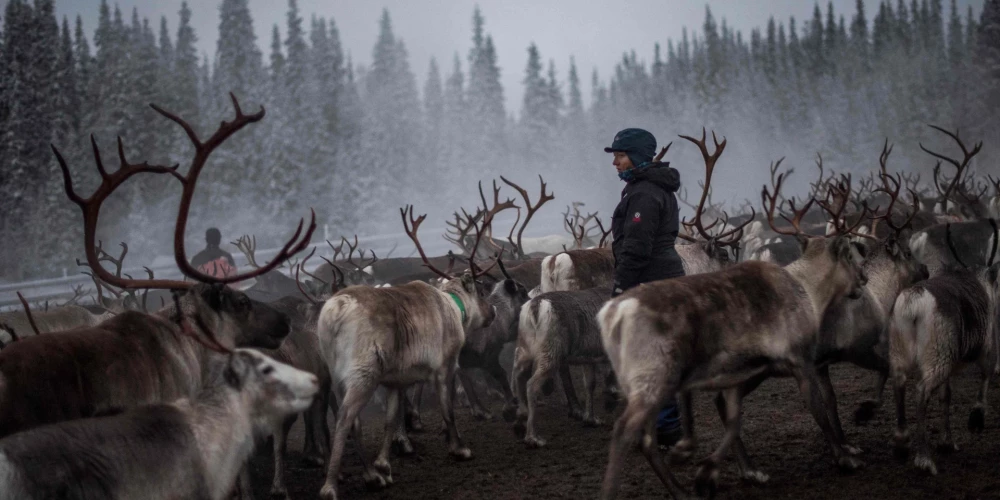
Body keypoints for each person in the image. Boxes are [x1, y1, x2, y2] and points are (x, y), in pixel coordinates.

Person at [605, 128, 685, 448]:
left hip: (652, 284)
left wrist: (621, 288)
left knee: (653, 355)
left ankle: (666, 429)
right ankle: (663, 426)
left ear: (636, 157)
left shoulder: (645, 193)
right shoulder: (646, 188)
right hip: (660, 279)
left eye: (620, 156)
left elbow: (637, 247)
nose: (615, 163)